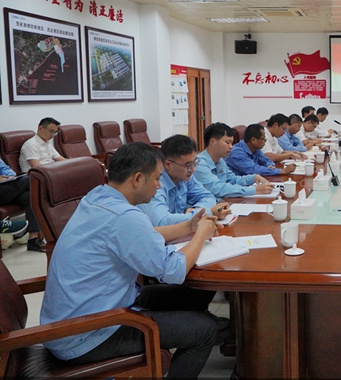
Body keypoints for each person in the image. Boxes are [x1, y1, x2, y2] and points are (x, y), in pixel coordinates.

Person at [39, 142, 222, 378]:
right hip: (88, 333)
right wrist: (200, 236)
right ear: (137, 179)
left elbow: (142, 235)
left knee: (195, 292)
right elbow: (173, 271)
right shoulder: (125, 217)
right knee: (204, 330)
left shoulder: (97, 197)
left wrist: (189, 226)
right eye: (157, 178)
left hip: (81, 316)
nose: (159, 185)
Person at [140, 135, 230, 227]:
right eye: (188, 165)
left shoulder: (185, 177)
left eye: (194, 163)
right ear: (168, 164)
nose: (193, 169)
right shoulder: (155, 183)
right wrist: (207, 212)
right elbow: (162, 222)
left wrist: (197, 209)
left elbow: (208, 196)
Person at [194, 123, 274, 200]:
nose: (231, 147)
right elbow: (219, 189)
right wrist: (254, 190)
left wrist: (253, 178)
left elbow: (232, 180)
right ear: (213, 142)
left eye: (231, 143)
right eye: (227, 142)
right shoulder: (199, 164)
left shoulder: (220, 160)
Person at [0, 158, 42, 251]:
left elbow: (6, 169)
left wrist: (9, 176)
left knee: (30, 197)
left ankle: (33, 240)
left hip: (5, 189)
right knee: (28, 180)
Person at [226, 124, 297, 176]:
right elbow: (254, 169)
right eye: (263, 139)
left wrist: (271, 166)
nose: (265, 141)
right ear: (253, 140)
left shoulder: (255, 149)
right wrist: (282, 171)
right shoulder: (236, 152)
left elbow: (266, 160)